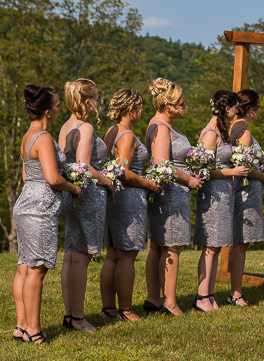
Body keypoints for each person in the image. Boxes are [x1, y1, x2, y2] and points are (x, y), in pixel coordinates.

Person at [13, 86, 82, 344]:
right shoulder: (42, 137)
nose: (58, 109)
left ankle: (21, 326)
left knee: (24, 268)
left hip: (25, 203)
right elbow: (53, 178)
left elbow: (26, 175)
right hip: (40, 208)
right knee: (37, 270)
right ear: (46, 111)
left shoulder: (27, 137)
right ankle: (34, 330)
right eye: (56, 106)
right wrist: (73, 187)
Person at [59, 78, 114, 332]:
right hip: (89, 194)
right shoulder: (86, 127)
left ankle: (70, 314)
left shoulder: (65, 127)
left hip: (72, 196)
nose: (98, 105)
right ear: (88, 101)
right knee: (82, 257)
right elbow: (84, 166)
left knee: (71, 255)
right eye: (97, 100)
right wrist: (108, 182)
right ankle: (79, 317)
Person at [101, 89, 160, 321]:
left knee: (113, 254)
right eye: (139, 107)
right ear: (130, 109)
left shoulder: (110, 132)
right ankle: (125, 309)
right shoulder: (126, 135)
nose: (141, 111)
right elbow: (123, 172)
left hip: (115, 198)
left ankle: (108, 308)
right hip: (129, 198)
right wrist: (148, 184)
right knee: (127, 255)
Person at [145, 78, 202, 316]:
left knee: (159, 246)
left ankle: (154, 299)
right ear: (167, 105)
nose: (183, 107)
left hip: (171, 193)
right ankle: (169, 302)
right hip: (171, 193)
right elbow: (162, 164)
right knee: (171, 248)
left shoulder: (161, 124)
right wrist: (189, 179)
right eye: (180, 103)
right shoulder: (160, 127)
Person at [192, 90, 249, 312]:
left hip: (223, 195)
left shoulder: (220, 130)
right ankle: (201, 296)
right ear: (227, 109)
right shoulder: (210, 133)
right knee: (210, 246)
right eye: (235, 108)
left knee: (215, 246)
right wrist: (232, 171)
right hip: (213, 196)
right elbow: (204, 169)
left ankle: (210, 294)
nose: (237, 112)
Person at [229, 89, 264, 307]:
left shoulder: (233, 127)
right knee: (241, 243)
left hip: (242, 189)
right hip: (245, 191)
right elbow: (245, 168)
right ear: (251, 109)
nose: (260, 111)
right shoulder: (244, 132)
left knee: (239, 243)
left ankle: (235, 291)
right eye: (259, 107)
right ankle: (236, 293)